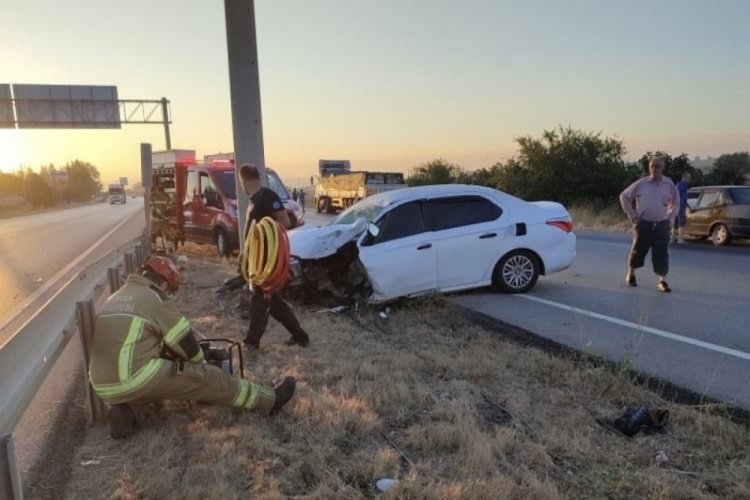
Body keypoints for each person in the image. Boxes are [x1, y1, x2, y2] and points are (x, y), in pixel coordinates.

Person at [89, 256, 296, 439]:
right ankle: (269, 401)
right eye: (169, 289)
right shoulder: (154, 297)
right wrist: (201, 362)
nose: (169, 294)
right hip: (136, 377)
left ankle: (127, 414)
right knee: (209, 378)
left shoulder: (115, 297)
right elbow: (187, 345)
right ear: (162, 282)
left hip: (102, 386)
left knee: (153, 395)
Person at [238, 164, 310, 350]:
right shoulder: (254, 200)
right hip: (255, 260)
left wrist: (261, 234)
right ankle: (300, 336)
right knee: (274, 304)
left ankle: (251, 342)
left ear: (243, 180)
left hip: (265, 262)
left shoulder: (267, 196)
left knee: (259, 301)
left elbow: (284, 221)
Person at [619, 156, 680, 293]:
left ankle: (662, 281)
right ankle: (631, 274)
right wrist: (633, 216)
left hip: (661, 224)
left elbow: (676, 202)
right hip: (644, 223)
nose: (654, 169)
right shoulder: (642, 184)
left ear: (662, 168)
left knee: (662, 252)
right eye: (652, 166)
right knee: (638, 250)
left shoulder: (668, 184)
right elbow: (624, 197)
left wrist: (670, 218)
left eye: (657, 166)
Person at [673, 172, 691, 244]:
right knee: (682, 222)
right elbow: (677, 196)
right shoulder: (682, 185)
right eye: (689, 178)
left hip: (677, 206)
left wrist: (688, 206)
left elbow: (682, 197)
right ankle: (680, 239)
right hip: (680, 206)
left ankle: (672, 238)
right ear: (684, 178)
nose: (690, 180)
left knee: (676, 222)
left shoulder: (679, 185)